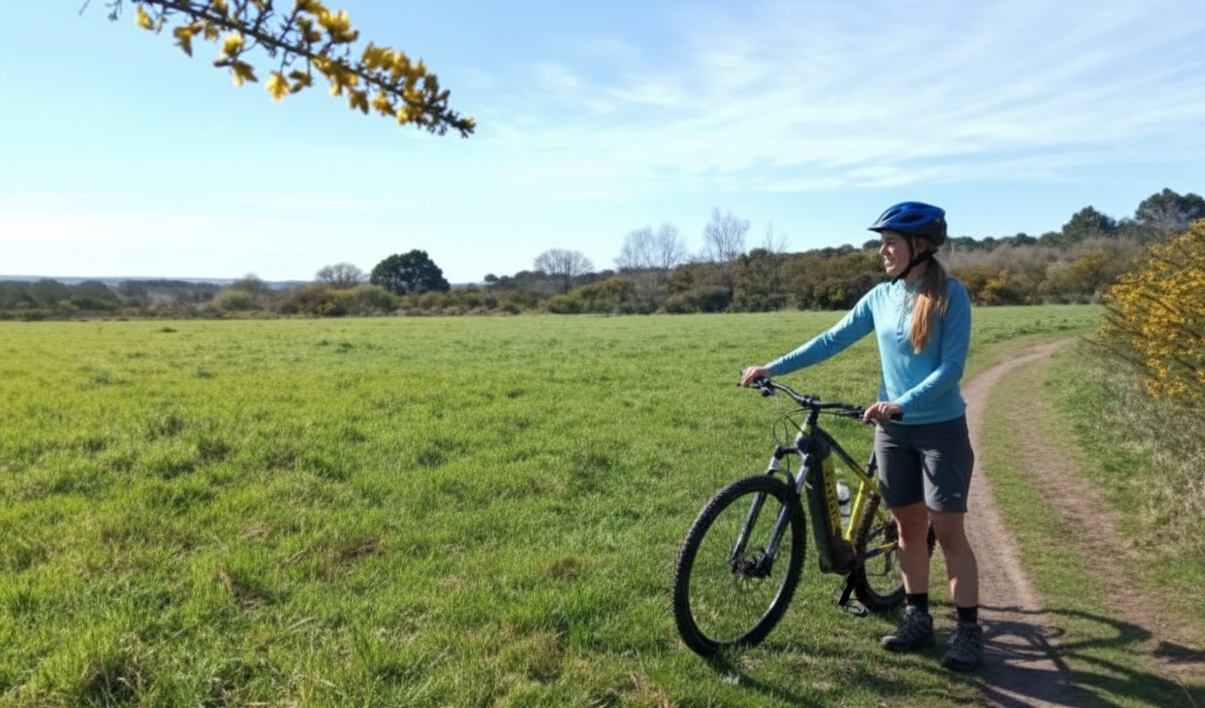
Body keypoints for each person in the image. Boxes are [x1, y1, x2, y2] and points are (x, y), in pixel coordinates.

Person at [739, 201, 983, 671]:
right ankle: (917, 618)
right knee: (908, 529)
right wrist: (773, 365)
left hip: (939, 431)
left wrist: (902, 402)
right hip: (892, 434)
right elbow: (832, 339)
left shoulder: (952, 295)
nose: (882, 252)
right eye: (881, 243)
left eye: (891, 243)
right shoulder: (881, 298)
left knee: (948, 532)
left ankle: (970, 632)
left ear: (921, 247)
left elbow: (952, 369)